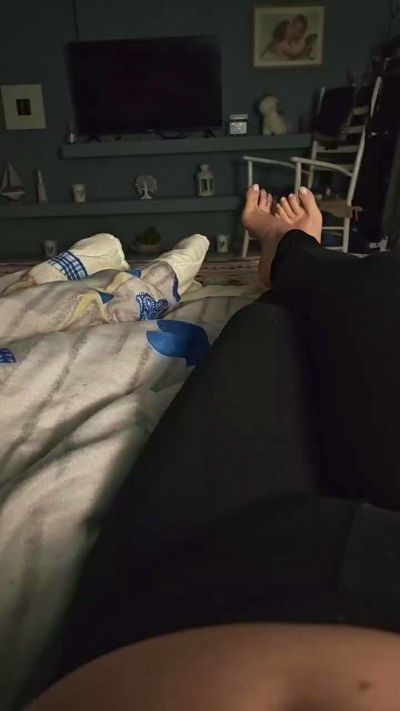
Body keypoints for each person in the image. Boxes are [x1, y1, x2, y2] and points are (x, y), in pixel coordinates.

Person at [33, 186, 400, 710]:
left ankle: (292, 257)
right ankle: (294, 256)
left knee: (269, 323)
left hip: (176, 592)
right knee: (380, 286)